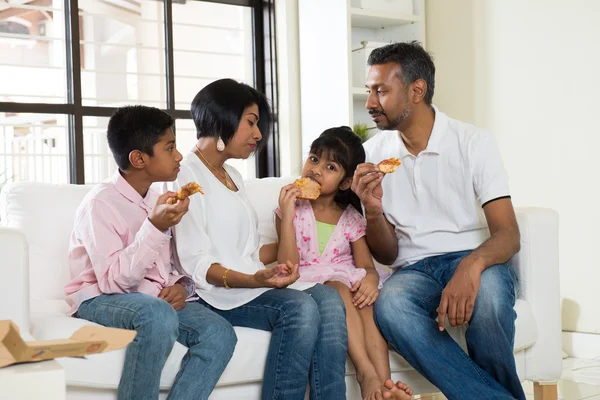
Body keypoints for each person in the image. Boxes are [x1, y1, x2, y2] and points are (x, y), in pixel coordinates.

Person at [352, 41, 525, 400]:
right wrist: (372, 210)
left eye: (381, 91)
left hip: (473, 256)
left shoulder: (473, 142)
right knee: (390, 306)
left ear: (417, 91)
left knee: (490, 300)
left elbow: (508, 234)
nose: (370, 103)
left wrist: (471, 265)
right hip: (413, 270)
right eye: (370, 90)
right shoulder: (372, 155)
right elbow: (387, 254)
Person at [170, 78, 348, 400]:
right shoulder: (186, 175)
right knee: (299, 309)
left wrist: (282, 249)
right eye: (251, 123)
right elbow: (196, 263)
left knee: (329, 299)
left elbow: (248, 252)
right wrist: (254, 280)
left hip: (247, 282)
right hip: (215, 292)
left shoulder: (233, 176)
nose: (258, 134)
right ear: (222, 118)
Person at [65, 105, 236, 400]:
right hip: (99, 298)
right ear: (138, 158)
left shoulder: (159, 201)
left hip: (152, 298)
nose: (180, 155)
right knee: (157, 315)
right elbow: (112, 283)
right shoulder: (100, 204)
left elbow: (174, 266)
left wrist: (182, 287)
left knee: (220, 333)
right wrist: (154, 227)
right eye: (169, 148)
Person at [275, 126, 413, 400]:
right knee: (337, 289)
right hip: (309, 283)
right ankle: (365, 373)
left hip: (346, 281)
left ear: (345, 183)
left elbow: (366, 266)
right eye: (313, 159)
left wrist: (371, 282)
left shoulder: (350, 217)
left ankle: (385, 386)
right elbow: (287, 266)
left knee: (365, 301)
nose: (315, 169)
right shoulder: (290, 208)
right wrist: (288, 212)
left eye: (330, 167)